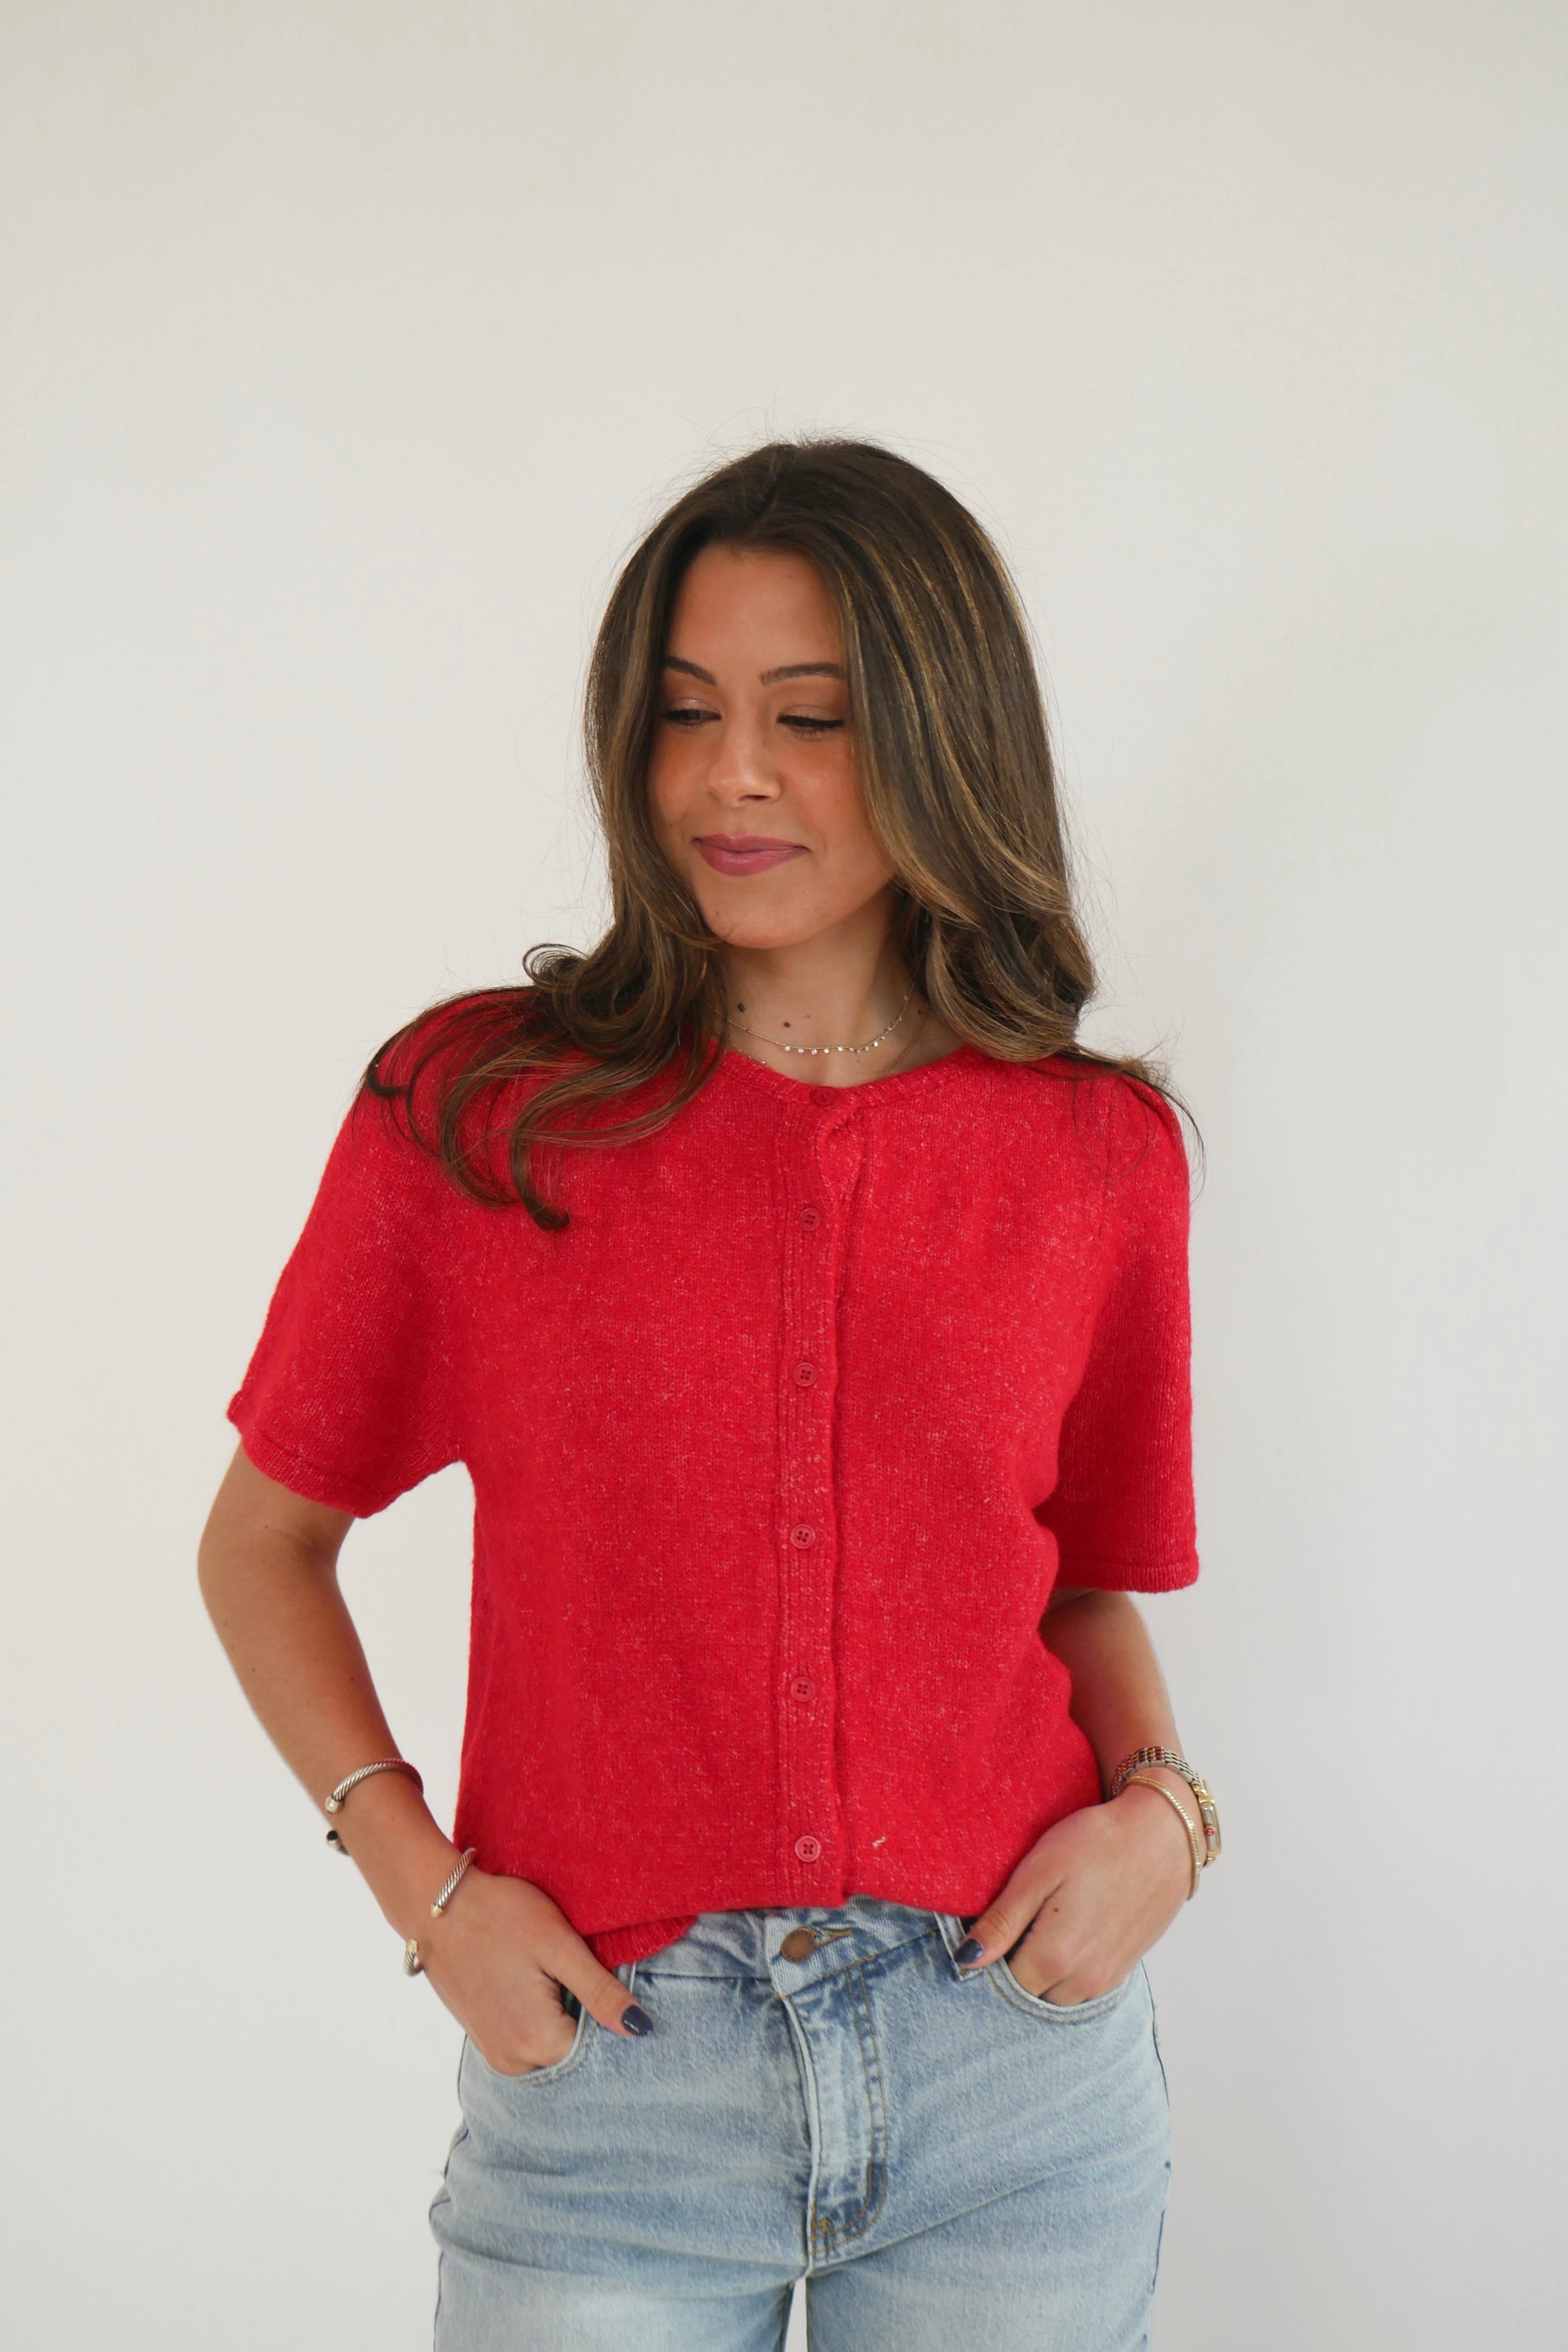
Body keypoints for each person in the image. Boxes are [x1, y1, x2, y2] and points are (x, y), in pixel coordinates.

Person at [198, 435, 1221, 2351]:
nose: (729, 773)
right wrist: (426, 1895)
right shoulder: (485, 1114)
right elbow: (262, 1545)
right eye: (684, 711)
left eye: (807, 717)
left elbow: (1078, 1583)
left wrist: (1166, 1815)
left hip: (1015, 2072)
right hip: (613, 2086)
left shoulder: (1097, 1156)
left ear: (941, 737)